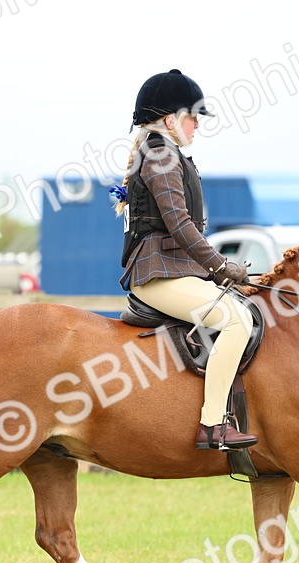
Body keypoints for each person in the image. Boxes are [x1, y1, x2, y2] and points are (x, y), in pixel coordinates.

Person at [113, 69, 258, 452]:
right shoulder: (160, 154)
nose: (196, 125)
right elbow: (178, 224)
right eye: (192, 117)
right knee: (236, 322)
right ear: (169, 119)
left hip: (172, 270)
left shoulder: (165, 153)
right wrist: (221, 266)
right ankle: (213, 424)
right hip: (159, 274)